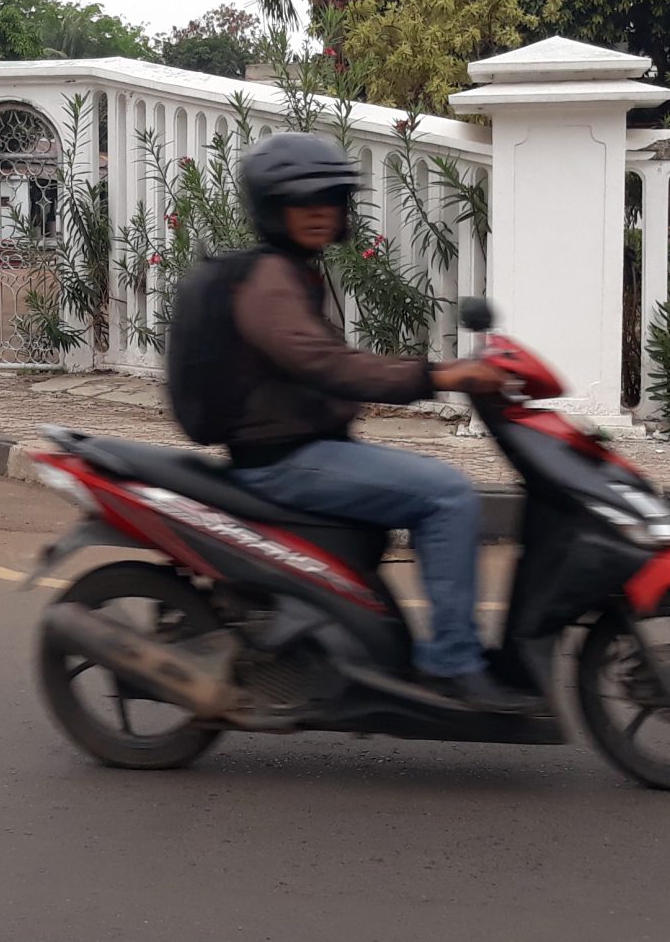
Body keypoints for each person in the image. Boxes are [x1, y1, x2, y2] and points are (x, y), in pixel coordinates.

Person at [197, 132, 540, 714]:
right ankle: (454, 664)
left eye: (329, 198)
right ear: (270, 208)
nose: (318, 211)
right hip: (282, 462)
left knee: (429, 488)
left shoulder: (294, 270)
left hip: (302, 448)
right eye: (300, 200)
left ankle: (391, 646)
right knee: (448, 495)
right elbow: (328, 365)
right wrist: (440, 375)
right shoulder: (270, 280)